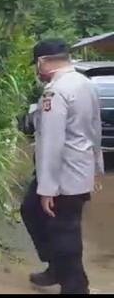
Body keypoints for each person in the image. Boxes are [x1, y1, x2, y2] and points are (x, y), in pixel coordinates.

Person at [20, 39, 104, 294]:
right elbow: (95, 127)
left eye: (37, 65)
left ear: (42, 62)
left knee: (64, 231)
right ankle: (56, 267)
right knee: (31, 210)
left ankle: (76, 287)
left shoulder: (54, 91)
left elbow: (51, 142)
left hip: (63, 176)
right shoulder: (84, 83)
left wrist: (47, 188)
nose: (37, 71)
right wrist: (96, 165)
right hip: (77, 168)